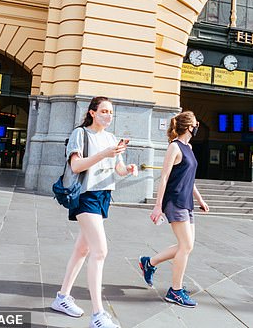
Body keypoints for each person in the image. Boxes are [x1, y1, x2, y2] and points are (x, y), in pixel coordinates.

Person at [51, 96, 137, 328]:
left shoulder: (111, 138)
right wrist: (104, 154)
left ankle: (62, 297)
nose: (109, 116)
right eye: (105, 111)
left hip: (103, 195)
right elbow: (76, 166)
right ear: (92, 112)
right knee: (100, 251)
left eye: (111, 113)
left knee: (83, 249)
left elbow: (117, 169)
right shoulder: (81, 134)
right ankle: (98, 315)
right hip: (85, 195)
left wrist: (127, 169)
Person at [139, 111, 209, 308]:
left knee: (186, 246)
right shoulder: (174, 147)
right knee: (185, 246)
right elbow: (164, 178)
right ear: (189, 127)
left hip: (187, 201)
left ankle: (149, 262)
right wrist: (157, 206)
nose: (197, 126)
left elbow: (190, 179)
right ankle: (175, 291)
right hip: (175, 201)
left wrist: (201, 200)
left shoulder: (189, 147)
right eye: (196, 123)